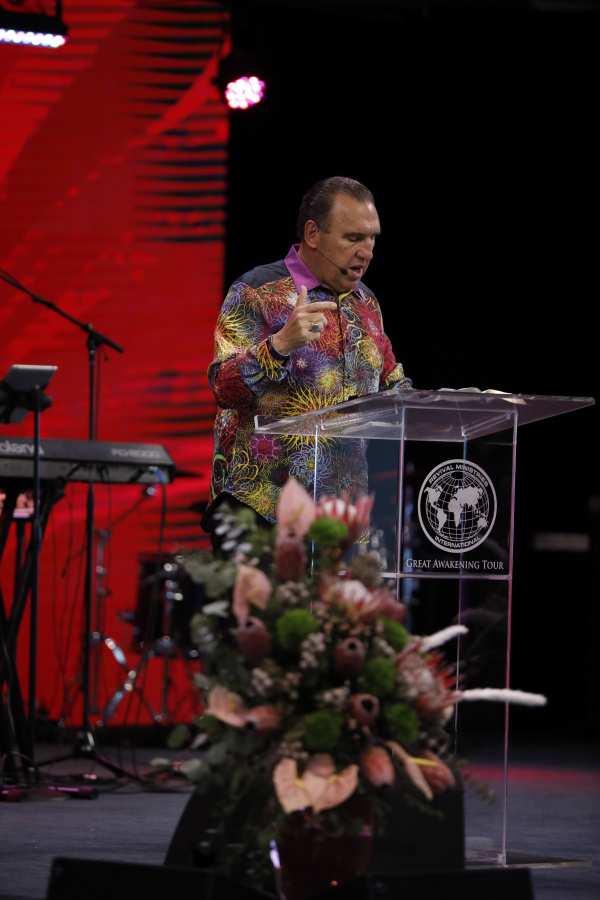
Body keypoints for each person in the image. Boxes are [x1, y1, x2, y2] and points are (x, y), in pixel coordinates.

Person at [201, 176, 411, 549]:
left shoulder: (366, 303)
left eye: (372, 238)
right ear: (313, 234)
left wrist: (450, 403)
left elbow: (392, 385)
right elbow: (223, 387)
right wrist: (279, 345)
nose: (367, 252)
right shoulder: (256, 292)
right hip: (260, 514)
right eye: (353, 238)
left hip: (339, 524)